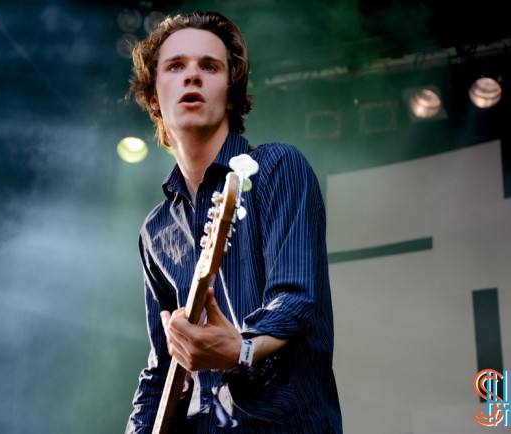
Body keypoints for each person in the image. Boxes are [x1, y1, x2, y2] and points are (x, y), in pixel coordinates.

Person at [125, 10, 342, 434]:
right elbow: (163, 365)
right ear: (153, 97)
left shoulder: (277, 167)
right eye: (175, 66)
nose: (192, 76)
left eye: (209, 66)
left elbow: (293, 299)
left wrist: (239, 350)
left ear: (230, 93)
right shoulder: (155, 230)